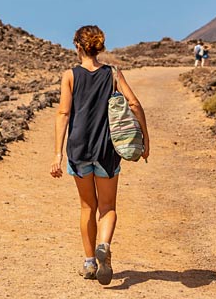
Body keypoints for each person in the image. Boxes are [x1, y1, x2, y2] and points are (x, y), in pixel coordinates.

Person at [50, 25, 150, 285]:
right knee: (107, 207)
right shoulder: (113, 74)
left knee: (87, 206)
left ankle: (89, 262)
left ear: (78, 47)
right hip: (107, 150)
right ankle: (103, 245)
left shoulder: (70, 75)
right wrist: (144, 139)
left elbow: (63, 113)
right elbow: (135, 104)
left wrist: (57, 154)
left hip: (79, 148)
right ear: (99, 47)